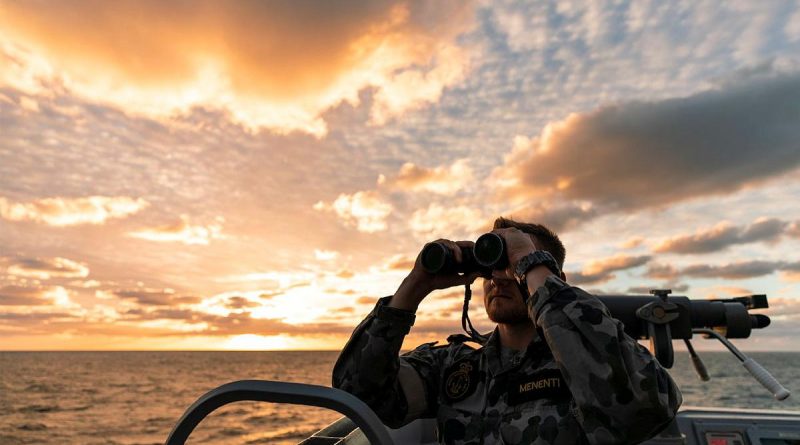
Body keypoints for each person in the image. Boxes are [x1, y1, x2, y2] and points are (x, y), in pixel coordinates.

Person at [333, 217, 682, 444]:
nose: (499, 276)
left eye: (512, 265)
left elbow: (646, 407)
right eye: (493, 266)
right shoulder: (454, 368)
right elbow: (359, 395)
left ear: (550, 277)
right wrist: (415, 284)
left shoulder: (584, 366)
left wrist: (530, 264)